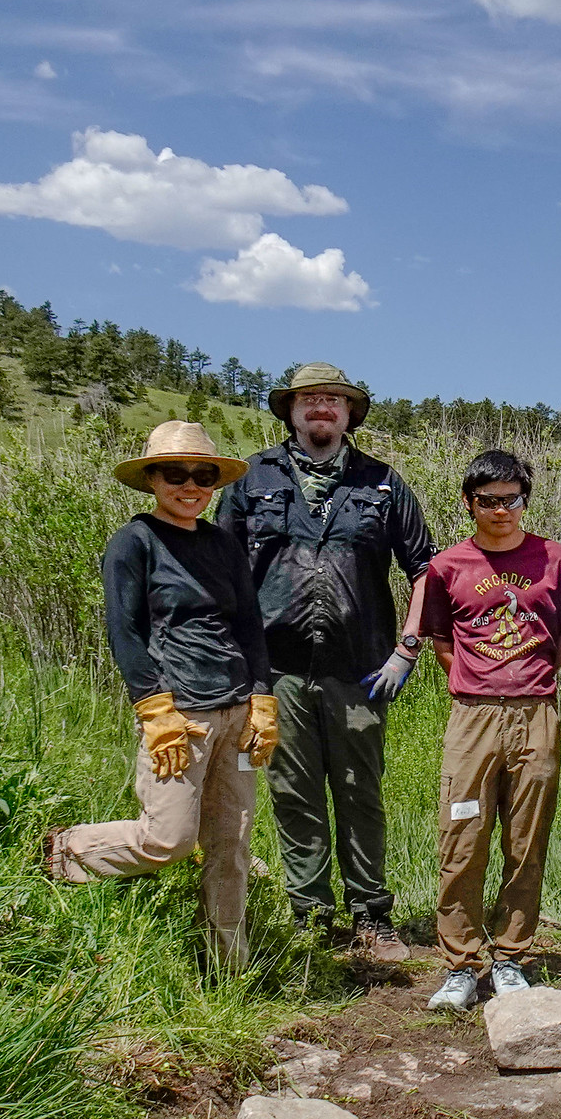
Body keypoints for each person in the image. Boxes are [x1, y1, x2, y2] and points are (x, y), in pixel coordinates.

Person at [220, 362, 433, 963]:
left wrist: (406, 650)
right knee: (294, 791)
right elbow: (224, 572)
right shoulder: (250, 480)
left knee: (360, 790)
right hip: (275, 671)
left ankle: (371, 916)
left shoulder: (383, 483)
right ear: (289, 410)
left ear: (349, 414)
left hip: (360, 671)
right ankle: (310, 916)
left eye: (333, 400)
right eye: (309, 398)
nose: (321, 408)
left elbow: (426, 571)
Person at [46, 422, 276, 970]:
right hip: (180, 714)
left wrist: (263, 698)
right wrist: (154, 708)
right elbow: (123, 631)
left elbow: (248, 623)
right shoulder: (135, 541)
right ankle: (65, 851)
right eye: (176, 474)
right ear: (152, 478)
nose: (190, 485)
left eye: (203, 475)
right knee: (169, 839)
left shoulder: (223, 543)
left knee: (231, 845)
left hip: (238, 710)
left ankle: (229, 969)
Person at [419, 451, 561, 1013]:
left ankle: (511, 956)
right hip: (473, 717)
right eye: (488, 500)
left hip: (537, 712)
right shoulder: (447, 566)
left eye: (510, 499)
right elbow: (441, 640)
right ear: (470, 503)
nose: (500, 510)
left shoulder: (552, 558)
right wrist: (479, 679)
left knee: (526, 838)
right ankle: (462, 963)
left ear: (524, 501)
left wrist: (533, 677)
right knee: (462, 837)